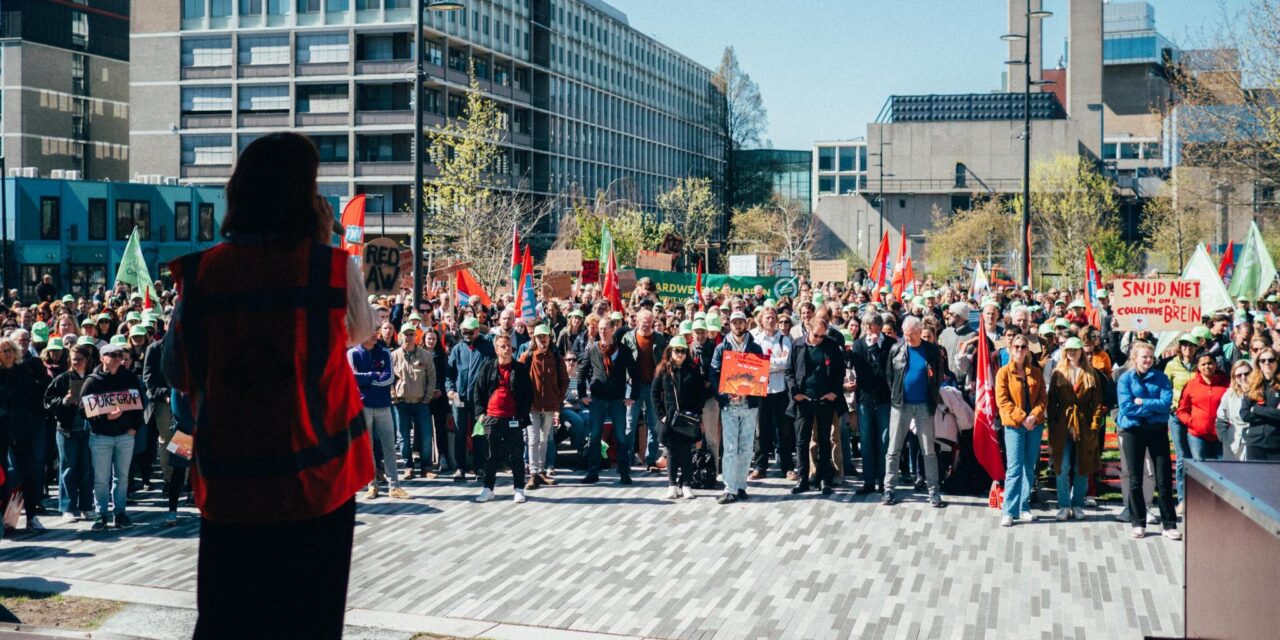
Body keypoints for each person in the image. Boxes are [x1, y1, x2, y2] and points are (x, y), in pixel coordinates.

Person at [162, 132, 375, 639]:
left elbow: (176, 369)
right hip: (317, 487)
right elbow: (361, 333)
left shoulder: (203, 272)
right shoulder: (330, 268)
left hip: (230, 484)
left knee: (227, 620)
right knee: (309, 622)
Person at [1116, 342, 1180, 540]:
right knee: (1135, 478)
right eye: (1144, 357)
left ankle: (1169, 524)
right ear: (1135, 358)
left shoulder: (1161, 378)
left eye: (1151, 357)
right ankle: (1138, 522)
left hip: (1156, 430)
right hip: (1133, 431)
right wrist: (1152, 408)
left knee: (1163, 478)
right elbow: (1126, 407)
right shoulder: (1125, 378)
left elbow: (1165, 404)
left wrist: (1143, 401)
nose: (1148, 360)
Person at [882, 316, 946, 508]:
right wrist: (898, 396)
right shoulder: (897, 349)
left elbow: (938, 377)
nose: (907, 338)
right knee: (893, 449)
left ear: (920, 332)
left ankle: (934, 491)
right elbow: (890, 377)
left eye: (911, 335)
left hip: (924, 406)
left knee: (928, 450)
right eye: (905, 335)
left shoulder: (932, 351)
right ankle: (889, 489)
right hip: (901, 406)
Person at [81, 343, 145, 531]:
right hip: (101, 437)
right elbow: (83, 410)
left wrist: (134, 427)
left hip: (125, 435)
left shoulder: (129, 377)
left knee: (122, 477)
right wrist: (105, 417)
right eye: (112, 355)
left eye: (119, 354)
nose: (117, 358)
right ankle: (101, 514)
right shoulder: (92, 381)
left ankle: (120, 512)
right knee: (101, 478)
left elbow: (139, 403)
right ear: (102, 358)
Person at [1046, 337, 1104, 522]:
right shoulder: (1058, 373)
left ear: (1081, 351)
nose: (1073, 352)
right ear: (1065, 351)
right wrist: (1054, 426)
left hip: (1084, 425)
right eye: (1069, 349)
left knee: (1082, 466)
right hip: (1062, 426)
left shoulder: (1091, 374)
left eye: (1076, 349)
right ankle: (1064, 505)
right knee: (1062, 466)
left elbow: (1097, 404)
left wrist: (1094, 426)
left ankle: (1077, 503)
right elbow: (1052, 403)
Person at [470, 334, 533, 503]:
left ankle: (519, 488)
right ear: (496, 349)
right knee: (490, 455)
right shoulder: (487, 367)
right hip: (492, 417)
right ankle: (488, 488)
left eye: (509, 346)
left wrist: (522, 415)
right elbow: (478, 391)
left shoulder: (519, 369)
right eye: (503, 346)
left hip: (513, 418)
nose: (507, 349)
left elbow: (528, 394)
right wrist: (480, 414)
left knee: (517, 455)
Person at [785, 317, 844, 496]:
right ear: (808, 330)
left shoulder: (831, 344)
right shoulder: (797, 345)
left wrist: (834, 391)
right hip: (804, 400)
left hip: (825, 399)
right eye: (816, 335)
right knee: (802, 440)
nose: (819, 339)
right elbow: (789, 371)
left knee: (825, 439)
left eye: (822, 336)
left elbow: (839, 371)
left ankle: (825, 478)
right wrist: (795, 393)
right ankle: (803, 478)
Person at [710, 311, 764, 504]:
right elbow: (714, 374)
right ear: (730, 324)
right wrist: (725, 393)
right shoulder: (721, 348)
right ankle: (729, 488)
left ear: (746, 324)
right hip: (730, 405)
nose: (738, 325)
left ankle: (741, 485)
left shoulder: (755, 347)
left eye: (741, 322)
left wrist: (750, 389)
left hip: (749, 405)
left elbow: (759, 375)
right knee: (731, 447)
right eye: (734, 322)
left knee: (747, 447)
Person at [578, 317, 639, 484]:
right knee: (595, 436)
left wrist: (632, 396)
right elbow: (582, 373)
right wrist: (582, 394)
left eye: (606, 328)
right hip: (597, 400)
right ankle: (593, 472)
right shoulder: (593, 350)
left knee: (621, 436)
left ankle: (624, 472)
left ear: (613, 329)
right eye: (600, 328)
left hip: (617, 400)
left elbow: (635, 374)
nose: (603, 331)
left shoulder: (623, 350)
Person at [995, 331, 1046, 526]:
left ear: (1028, 350)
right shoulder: (1003, 373)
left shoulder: (1036, 372)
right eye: (1016, 346)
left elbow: (1043, 398)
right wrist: (1023, 417)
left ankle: (1024, 507)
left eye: (1023, 347)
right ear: (1010, 349)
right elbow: (1003, 401)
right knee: (1014, 468)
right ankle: (1009, 510)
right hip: (1014, 426)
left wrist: (1034, 416)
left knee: (1029, 467)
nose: (1019, 350)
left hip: (1034, 425)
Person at [350, 332, 407, 500]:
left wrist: (366, 380)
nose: (375, 334)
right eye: (370, 331)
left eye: (376, 330)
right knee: (368, 448)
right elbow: (352, 378)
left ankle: (394, 486)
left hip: (383, 406)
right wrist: (373, 374)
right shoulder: (352, 353)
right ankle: (372, 485)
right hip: (363, 406)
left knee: (389, 446)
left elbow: (389, 379)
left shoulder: (384, 352)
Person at [651, 336, 704, 500]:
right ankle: (672, 484)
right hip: (670, 418)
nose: (680, 354)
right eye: (677, 351)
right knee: (672, 452)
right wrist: (662, 416)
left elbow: (700, 393)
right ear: (670, 351)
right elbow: (654, 394)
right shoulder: (663, 370)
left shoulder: (693, 369)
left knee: (687, 451)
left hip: (687, 418)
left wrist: (696, 412)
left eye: (683, 351)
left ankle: (686, 484)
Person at [849, 311, 895, 495]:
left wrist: (876, 349)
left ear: (878, 326)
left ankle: (885, 481)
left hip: (884, 400)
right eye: (865, 326)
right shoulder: (859, 345)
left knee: (884, 441)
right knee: (866, 441)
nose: (868, 330)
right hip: (865, 400)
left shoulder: (890, 345)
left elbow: (885, 373)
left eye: (871, 326)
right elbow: (862, 372)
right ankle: (868, 481)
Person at [446, 317, 495, 482]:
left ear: (477, 331)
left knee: (479, 433)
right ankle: (460, 467)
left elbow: (493, 372)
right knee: (460, 433)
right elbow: (449, 373)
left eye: (469, 332)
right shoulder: (457, 349)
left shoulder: (488, 348)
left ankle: (479, 467)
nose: (466, 335)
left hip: (480, 399)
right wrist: (450, 389)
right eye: (464, 332)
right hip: (460, 397)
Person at [750, 306, 794, 480]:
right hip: (761, 390)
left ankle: (788, 467)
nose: (770, 320)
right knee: (762, 431)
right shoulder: (756, 339)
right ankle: (760, 466)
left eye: (773, 317)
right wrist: (776, 363)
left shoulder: (784, 339)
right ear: (761, 320)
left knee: (784, 430)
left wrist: (767, 364)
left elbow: (787, 362)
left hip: (781, 389)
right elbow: (755, 363)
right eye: (767, 317)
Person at [521, 324, 568, 489]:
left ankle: (541, 471)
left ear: (549, 338)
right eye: (539, 337)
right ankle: (533, 472)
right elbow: (518, 380)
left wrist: (558, 399)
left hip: (549, 405)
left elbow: (564, 380)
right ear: (534, 338)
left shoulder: (556, 357)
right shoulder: (527, 356)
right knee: (533, 439)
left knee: (545, 439)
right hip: (531, 406)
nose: (542, 340)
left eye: (545, 337)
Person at [621, 309, 667, 472]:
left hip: (653, 386)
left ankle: (651, 459)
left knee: (654, 425)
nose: (646, 326)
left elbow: (664, 362)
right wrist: (627, 378)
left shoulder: (660, 339)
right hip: (633, 386)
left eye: (649, 323)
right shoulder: (628, 338)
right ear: (637, 321)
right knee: (630, 424)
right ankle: (626, 459)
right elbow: (622, 362)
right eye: (643, 323)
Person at [391, 323, 436, 480]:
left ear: (416, 336)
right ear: (400, 336)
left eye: (411, 334)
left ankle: (426, 467)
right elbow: (390, 378)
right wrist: (393, 396)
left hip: (421, 402)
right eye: (406, 334)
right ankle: (408, 467)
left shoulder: (426, 356)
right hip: (401, 402)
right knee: (402, 436)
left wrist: (427, 398)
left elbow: (432, 378)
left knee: (425, 436)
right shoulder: (393, 356)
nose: (408, 337)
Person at [1163, 334, 1198, 514]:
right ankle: (1183, 499)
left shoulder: (1202, 364)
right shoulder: (1172, 365)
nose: (1187, 348)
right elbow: (1165, 387)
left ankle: (1198, 498)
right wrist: (1170, 406)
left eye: (1191, 345)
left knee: (1196, 455)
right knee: (1182, 456)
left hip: (1197, 415)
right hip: (1177, 415)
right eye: (1184, 345)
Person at [1176, 352, 1228, 465]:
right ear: (1198, 367)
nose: (1207, 367)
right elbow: (1181, 410)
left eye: (1210, 363)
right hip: (1197, 435)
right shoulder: (1191, 385)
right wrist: (1192, 422)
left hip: (1220, 435)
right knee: (1201, 470)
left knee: (1222, 470)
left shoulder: (1226, 384)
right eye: (1203, 364)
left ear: (1215, 364)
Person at [1240, 346, 1280, 461]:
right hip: (1255, 443)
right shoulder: (1252, 385)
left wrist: (1257, 410)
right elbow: (1244, 414)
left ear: (1277, 362)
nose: (1267, 363)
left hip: (1276, 443)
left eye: (1271, 360)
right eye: (1263, 360)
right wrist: (1273, 413)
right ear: (1258, 364)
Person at [1215, 359, 1253, 461]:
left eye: (1247, 374)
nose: (1243, 378)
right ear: (1234, 378)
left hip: (1254, 441)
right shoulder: (1229, 395)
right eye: (1239, 375)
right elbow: (1221, 419)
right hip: (1233, 442)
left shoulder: (1261, 393)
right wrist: (1225, 438)